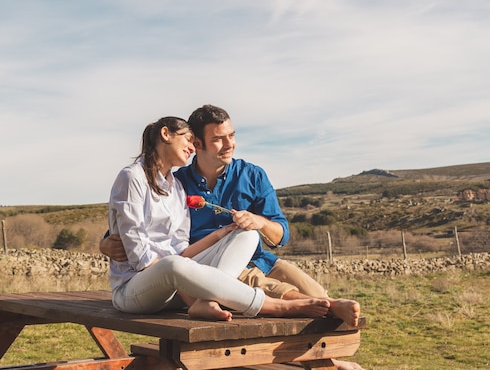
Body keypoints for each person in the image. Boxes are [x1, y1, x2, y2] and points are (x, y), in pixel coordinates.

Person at [107, 116, 330, 321]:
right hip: (150, 283)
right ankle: (271, 306)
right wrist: (106, 242)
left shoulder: (177, 188)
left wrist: (225, 232)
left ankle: (209, 299)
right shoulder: (137, 177)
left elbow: (182, 251)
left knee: (249, 235)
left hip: (226, 268)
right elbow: (135, 244)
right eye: (217, 139)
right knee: (173, 265)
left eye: (231, 136)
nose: (191, 148)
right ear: (167, 134)